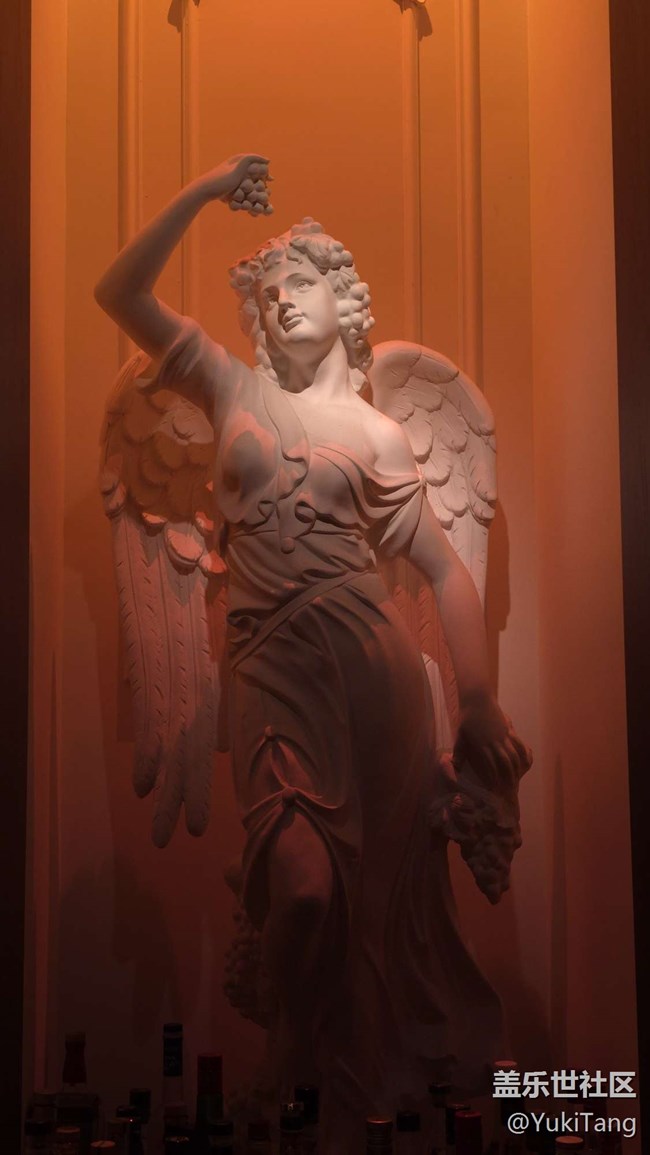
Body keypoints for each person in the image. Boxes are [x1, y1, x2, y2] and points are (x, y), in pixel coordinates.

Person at [95, 153, 530, 1150]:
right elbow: (119, 293)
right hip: (271, 662)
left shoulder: (380, 433)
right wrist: (205, 189)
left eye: (302, 283)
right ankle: (291, 1041)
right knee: (300, 884)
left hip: (375, 669)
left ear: (343, 299)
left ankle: (354, 1097)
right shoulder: (229, 384)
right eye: (270, 292)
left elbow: (442, 570)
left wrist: (472, 699)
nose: (283, 300)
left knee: (377, 899)